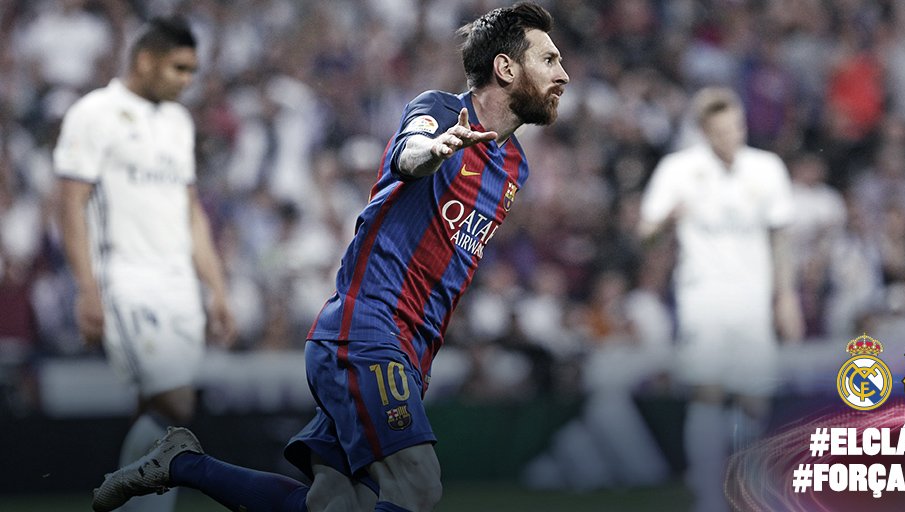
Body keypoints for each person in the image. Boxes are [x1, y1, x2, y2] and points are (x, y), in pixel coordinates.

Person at [91, 3, 568, 512]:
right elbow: (408, 153)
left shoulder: (514, 166)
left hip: (413, 349)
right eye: (549, 60)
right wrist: (433, 151)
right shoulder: (442, 112)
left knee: (332, 504)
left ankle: (181, 464)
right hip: (368, 331)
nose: (563, 74)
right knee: (418, 485)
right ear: (505, 68)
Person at [54, 16, 236, 512]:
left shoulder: (178, 123)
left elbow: (191, 212)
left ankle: (128, 503)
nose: (186, 80)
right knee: (177, 403)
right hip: (125, 279)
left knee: (155, 410)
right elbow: (70, 203)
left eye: (192, 70)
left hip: (178, 283)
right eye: (178, 68)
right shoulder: (95, 113)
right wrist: (86, 287)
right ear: (145, 60)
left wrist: (217, 289)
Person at [637, 87, 803, 512]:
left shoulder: (767, 168)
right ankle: (709, 495)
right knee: (707, 392)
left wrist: (786, 297)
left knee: (754, 397)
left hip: (753, 298)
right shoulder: (678, 170)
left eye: (737, 128)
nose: (732, 138)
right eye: (722, 131)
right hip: (703, 297)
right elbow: (645, 232)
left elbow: (781, 237)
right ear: (704, 132)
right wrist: (666, 221)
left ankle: (744, 488)